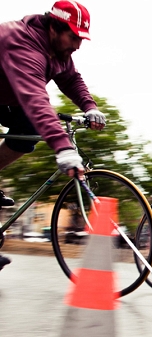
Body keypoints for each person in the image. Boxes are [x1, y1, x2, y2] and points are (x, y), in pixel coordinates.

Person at [0, 1, 106, 270]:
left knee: (30, 129)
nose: (78, 45)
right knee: (35, 116)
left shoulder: (57, 52)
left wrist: (90, 106)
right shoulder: (22, 42)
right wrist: (62, 147)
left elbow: (71, 79)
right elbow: (36, 99)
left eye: (81, 38)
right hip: (10, 94)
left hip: (5, 97)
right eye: (74, 37)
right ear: (53, 28)